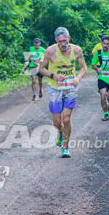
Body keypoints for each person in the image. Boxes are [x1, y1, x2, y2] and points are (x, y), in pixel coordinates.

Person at [38, 26, 87, 158]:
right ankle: (59, 132)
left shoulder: (77, 50)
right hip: (55, 88)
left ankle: (65, 146)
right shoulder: (50, 51)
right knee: (57, 122)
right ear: (56, 40)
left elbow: (84, 68)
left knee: (66, 119)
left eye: (65, 41)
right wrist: (53, 76)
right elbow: (40, 69)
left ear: (69, 38)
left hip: (70, 87)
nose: (63, 44)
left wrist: (77, 78)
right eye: (60, 42)